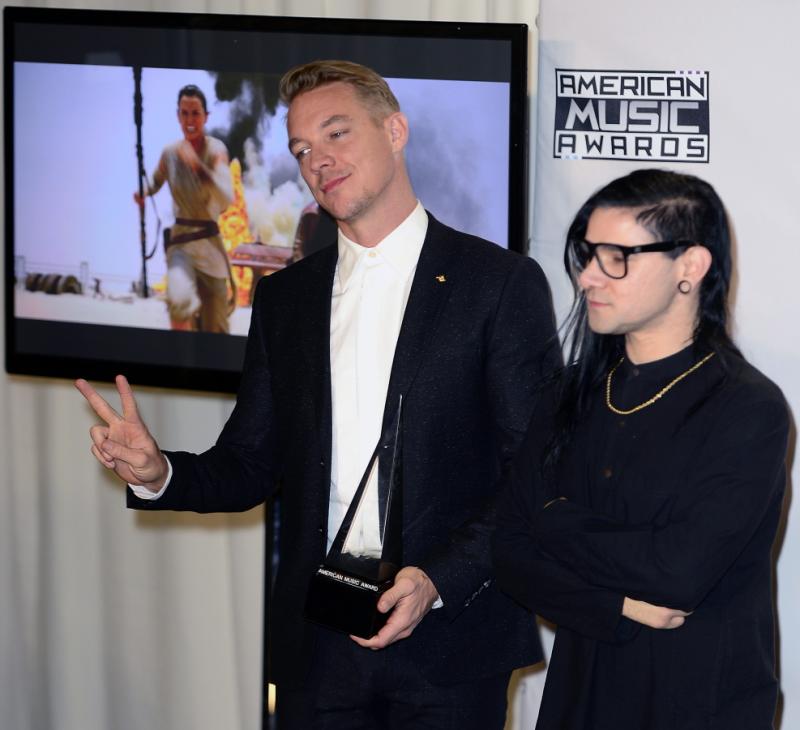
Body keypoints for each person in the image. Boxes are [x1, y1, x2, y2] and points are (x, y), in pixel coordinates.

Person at [77, 60, 560, 729]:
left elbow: (536, 468)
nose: (318, 161)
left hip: (451, 644)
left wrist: (436, 581)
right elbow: (250, 461)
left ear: (395, 131)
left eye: (337, 134)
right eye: (302, 149)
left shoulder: (497, 284)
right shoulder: (287, 299)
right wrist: (161, 474)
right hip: (321, 646)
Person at [493, 169, 789, 730]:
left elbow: (677, 571)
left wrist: (552, 520)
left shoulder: (748, 408)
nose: (588, 277)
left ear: (690, 266)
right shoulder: (571, 392)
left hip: (697, 703)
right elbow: (509, 552)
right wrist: (617, 606)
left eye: (617, 257)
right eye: (588, 255)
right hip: (579, 699)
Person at [135, 84, 233, 333]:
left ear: (206, 116)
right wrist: (143, 193)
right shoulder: (170, 153)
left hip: (210, 246)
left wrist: (198, 167)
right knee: (178, 303)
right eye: (185, 113)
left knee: (216, 328)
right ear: (178, 115)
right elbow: (155, 181)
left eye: (195, 113)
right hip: (181, 244)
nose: (190, 120)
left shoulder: (216, 150)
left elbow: (226, 195)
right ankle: (180, 353)